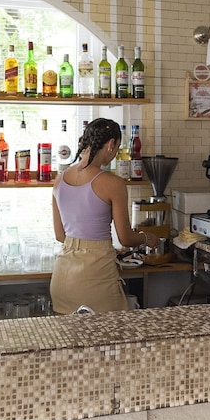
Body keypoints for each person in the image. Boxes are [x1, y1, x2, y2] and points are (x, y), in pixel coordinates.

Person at [50, 118, 160, 314]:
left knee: (70, 334)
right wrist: (147, 238)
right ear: (110, 144)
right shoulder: (112, 183)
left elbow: (61, 236)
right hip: (94, 279)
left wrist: (100, 247)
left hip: (62, 279)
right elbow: (126, 238)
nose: (115, 153)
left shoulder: (60, 179)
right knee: (110, 333)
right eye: (117, 148)